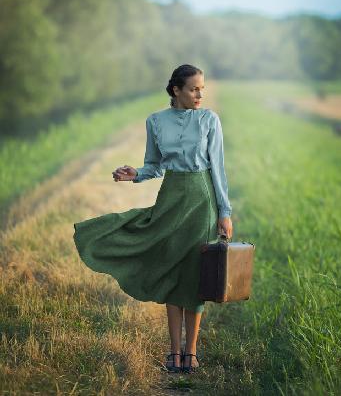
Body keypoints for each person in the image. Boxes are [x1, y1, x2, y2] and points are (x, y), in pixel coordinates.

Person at [73, 64, 233, 374]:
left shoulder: (209, 119)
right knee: (171, 271)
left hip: (202, 201)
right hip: (170, 198)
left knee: (194, 276)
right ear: (176, 90)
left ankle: (192, 352)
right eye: (194, 89)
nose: (200, 94)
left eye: (202, 88)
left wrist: (224, 212)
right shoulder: (156, 121)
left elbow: (219, 169)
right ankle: (173, 352)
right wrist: (135, 174)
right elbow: (155, 166)